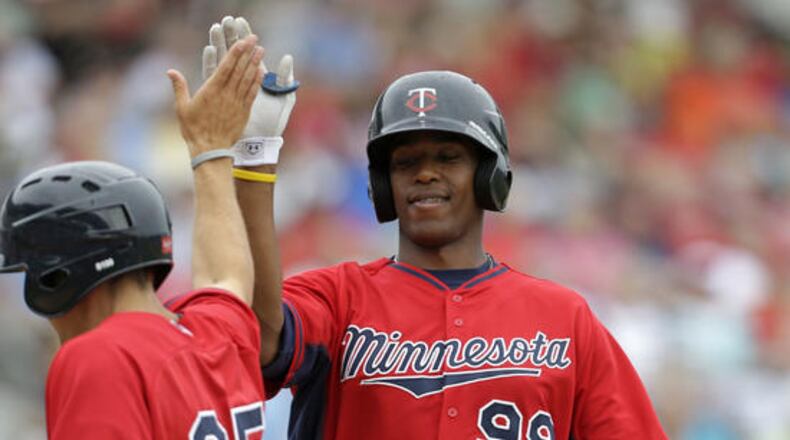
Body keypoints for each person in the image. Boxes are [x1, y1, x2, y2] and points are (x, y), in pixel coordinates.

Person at [214, 17, 668, 440]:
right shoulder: (338, 299)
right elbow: (262, 337)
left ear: (490, 175)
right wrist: (254, 159)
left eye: (448, 157)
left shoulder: (564, 319)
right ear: (382, 185)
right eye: (406, 162)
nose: (425, 174)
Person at [0, 34, 268, 438]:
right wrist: (211, 149)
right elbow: (225, 278)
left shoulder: (98, 356)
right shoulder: (218, 335)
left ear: (57, 278)